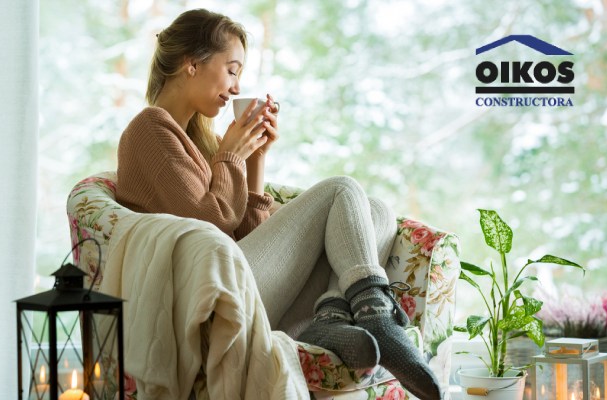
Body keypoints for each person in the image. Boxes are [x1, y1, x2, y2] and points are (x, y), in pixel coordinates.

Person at [115, 8, 441, 400]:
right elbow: (211, 229)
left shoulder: (196, 142)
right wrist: (232, 155)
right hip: (207, 307)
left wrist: (255, 160)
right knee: (341, 188)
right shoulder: (150, 129)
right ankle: (377, 316)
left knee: (376, 212)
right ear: (191, 64)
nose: (236, 87)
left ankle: (332, 317)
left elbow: (249, 238)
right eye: (232, 69)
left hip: (242, 287)